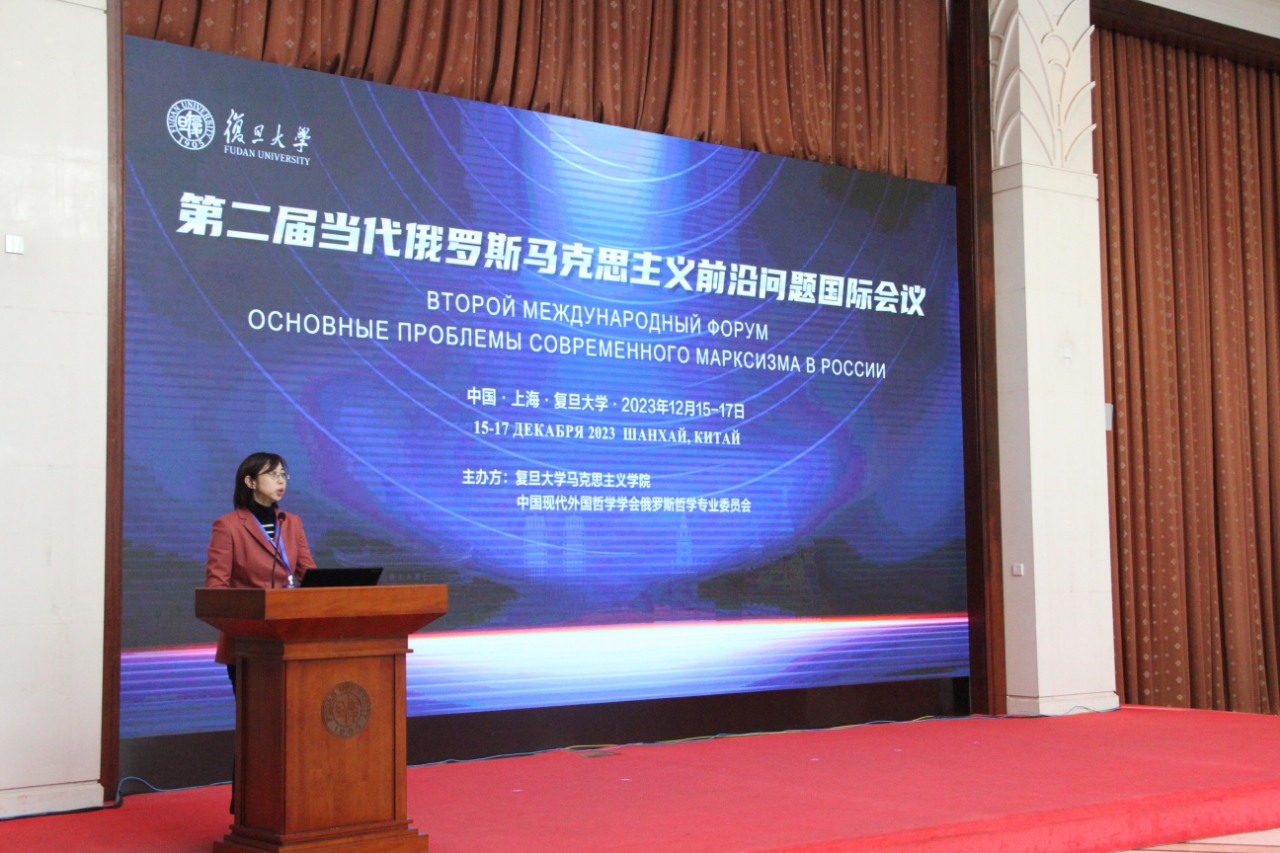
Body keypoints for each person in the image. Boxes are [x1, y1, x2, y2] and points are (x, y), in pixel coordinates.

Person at [205, 452, 316, 671]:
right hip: (246, 642)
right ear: (250, 482)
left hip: (290, 640)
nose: (281, 480)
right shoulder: (227, 526)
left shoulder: (291, 522)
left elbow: (310, 577)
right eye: (273, 474)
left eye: (283, 475)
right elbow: (216, 590)